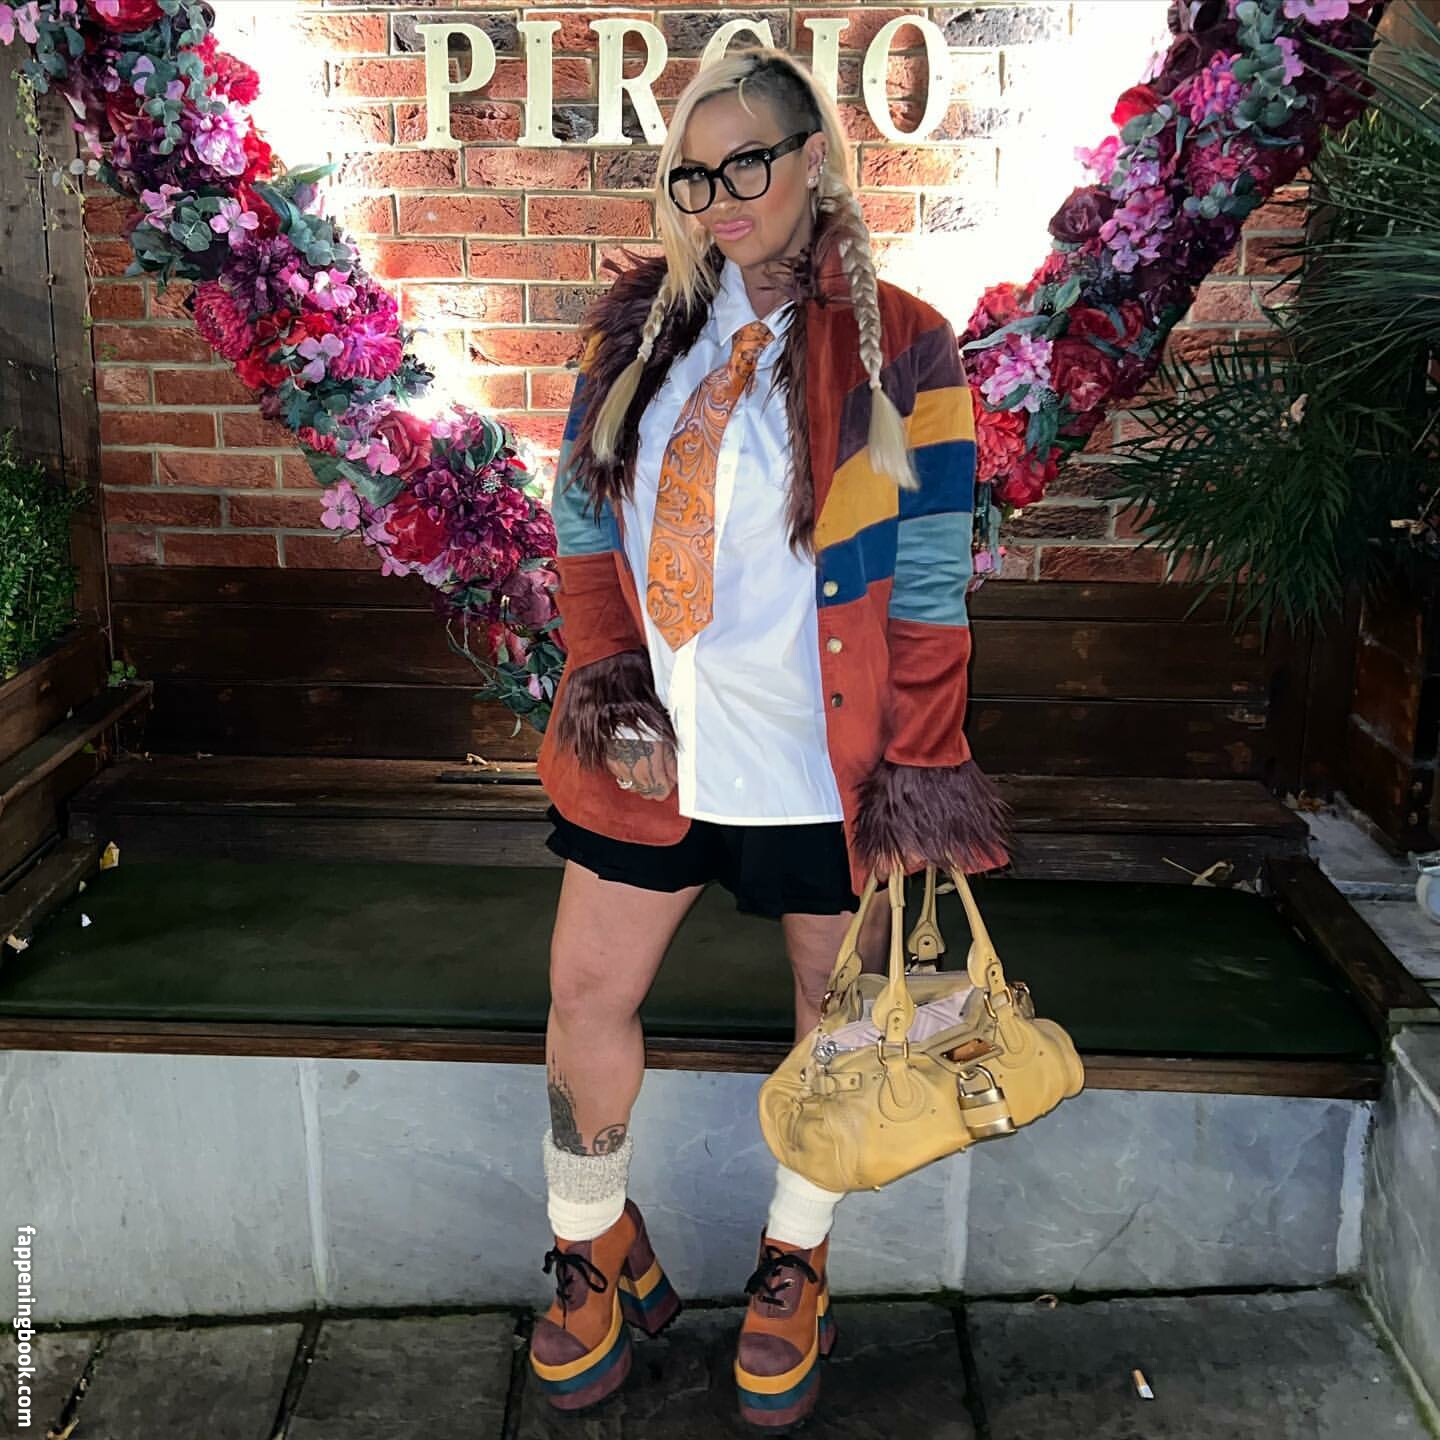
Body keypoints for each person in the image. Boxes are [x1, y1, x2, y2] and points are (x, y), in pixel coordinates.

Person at [528, 44, 1012, 1428]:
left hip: (820, 757)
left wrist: (917, 770)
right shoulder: (637, 335)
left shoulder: (905, 344)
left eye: (747, 161)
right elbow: (581, 523)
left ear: (813, 160)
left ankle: (794, 1263)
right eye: (694, 174)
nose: (719, 194)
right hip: (657, 753)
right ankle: (592, 1244)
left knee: (830, 1015)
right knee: (584, 994)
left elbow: (930, 580)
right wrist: (610, 684)